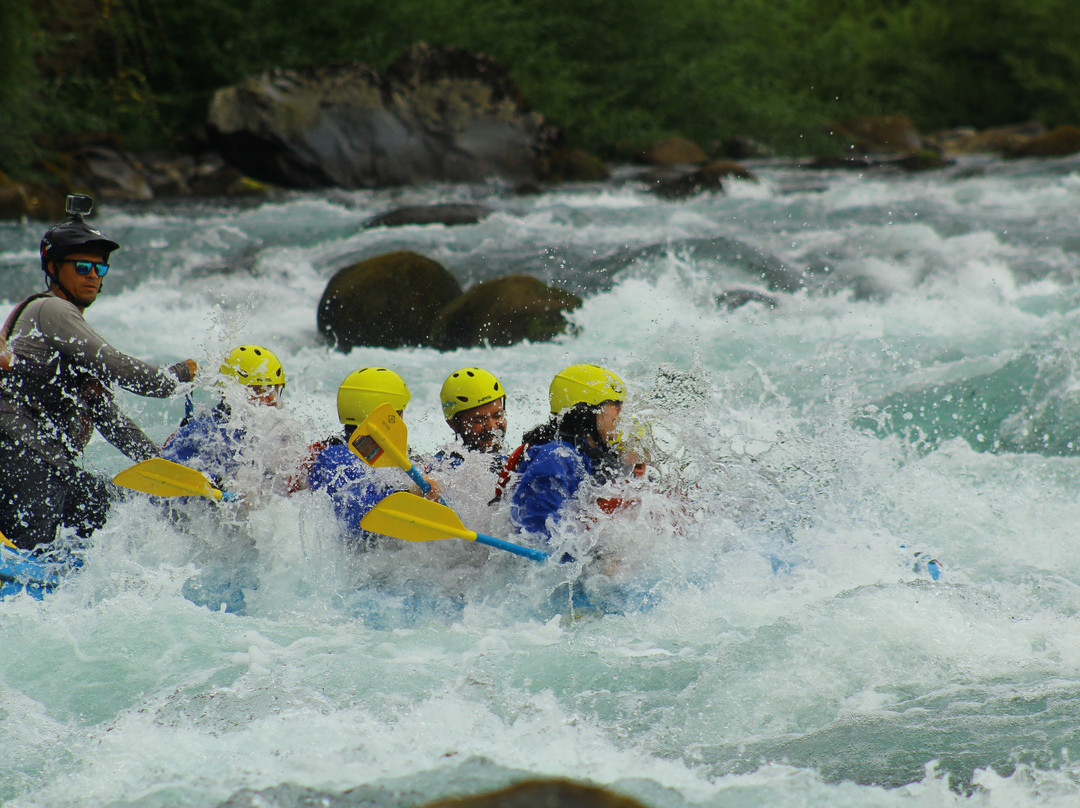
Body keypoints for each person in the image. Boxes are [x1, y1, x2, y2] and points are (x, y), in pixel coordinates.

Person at [0, 201, 197, 552]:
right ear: (53, 267)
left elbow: (108, 418)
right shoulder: (52, 309)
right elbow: (119, 366)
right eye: (83, 266)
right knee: (29, 565)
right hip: (22, 458)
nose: (93, 275)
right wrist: (179, 376)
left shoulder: (64, 329)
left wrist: (165, 471)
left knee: (115, 506)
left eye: (100, 268)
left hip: (48, 464)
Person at [505, 364, 643, 544]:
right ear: (587, 412)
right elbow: (534, 537)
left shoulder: (594, 454)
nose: (621, 421)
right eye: (615, 413)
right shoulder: (556, 458)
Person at [303, 367, 438, 535]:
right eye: (398, 416)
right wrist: (408, 494)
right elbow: (349, 514)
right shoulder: (334, 458)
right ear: (383, 417)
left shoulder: (392, 456)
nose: (402, 424)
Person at [161, 344, 288, 492]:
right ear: (227, 393)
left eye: (273, 389)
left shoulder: (280, 432)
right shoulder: (205, 434)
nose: (267, 399)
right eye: (256, 390)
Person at [433, 366, 508, 464]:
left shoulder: (514, 461)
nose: (492, 427)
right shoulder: (442, 467)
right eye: (478, 420)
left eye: (498, 415)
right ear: (453, 425)